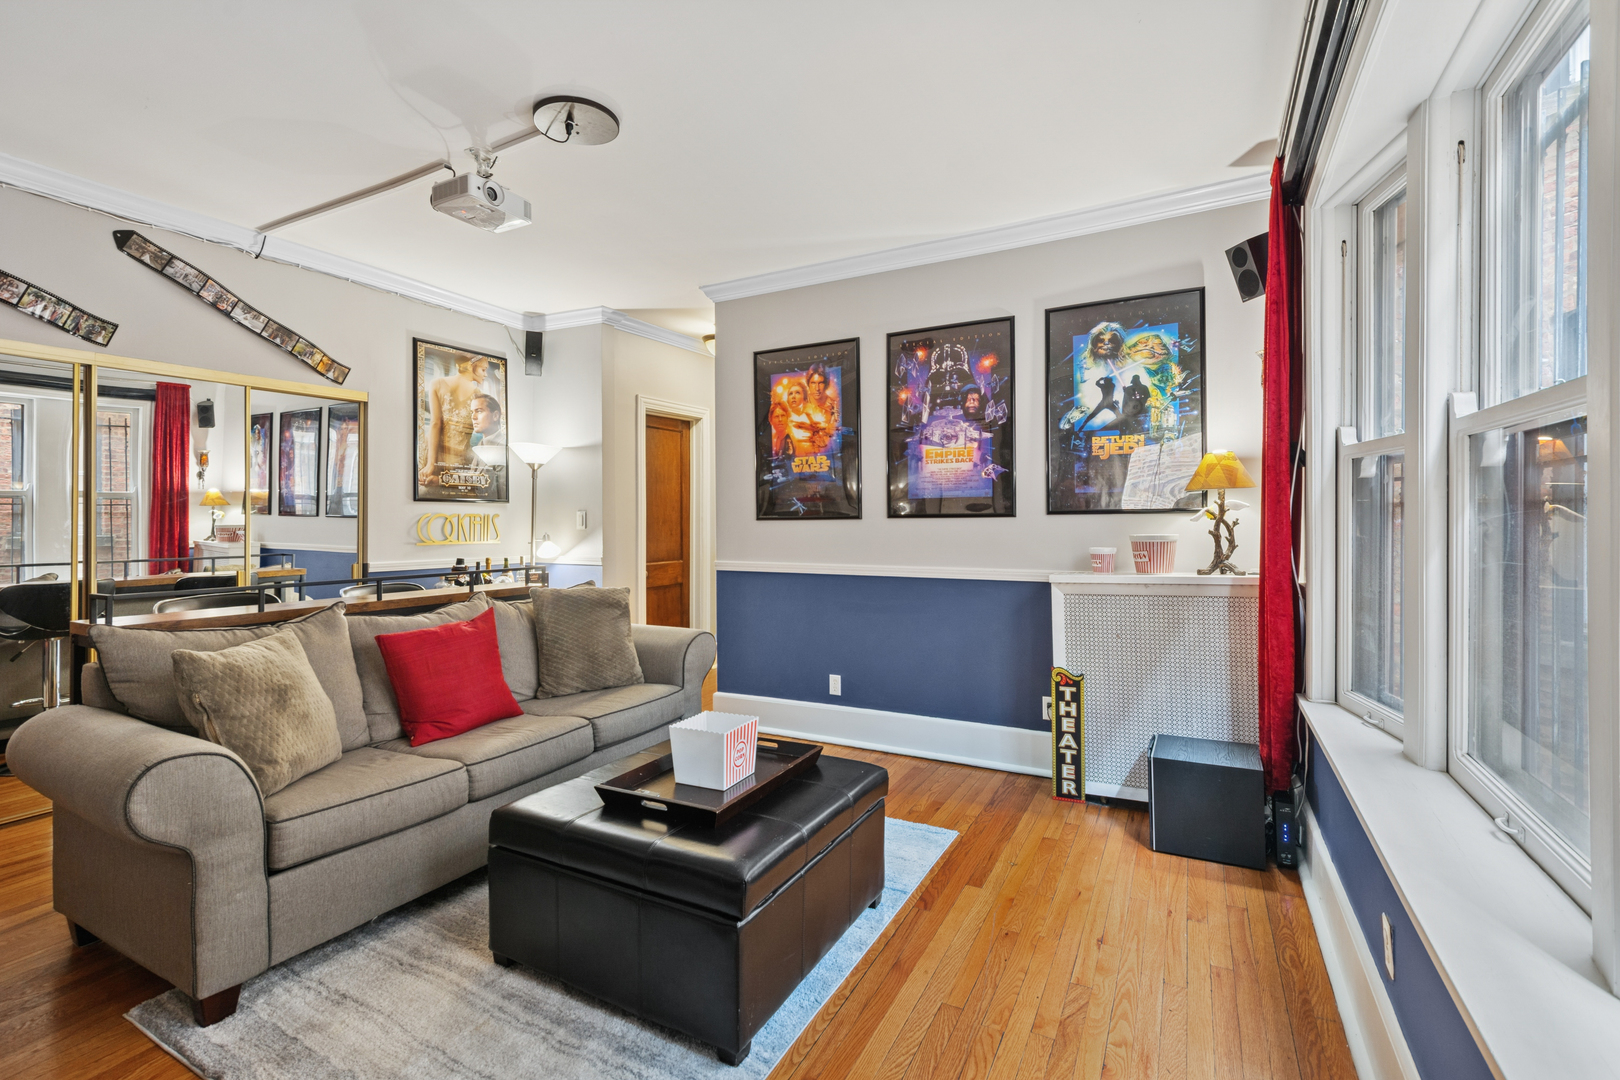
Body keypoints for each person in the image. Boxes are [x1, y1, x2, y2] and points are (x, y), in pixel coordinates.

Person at [419, 354, 492, 487]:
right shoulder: (480, 396)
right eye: (483, 369)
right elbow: (435, 423)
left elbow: (436, 423)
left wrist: (430, 463)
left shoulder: (437, 383)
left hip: (436, 455)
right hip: (458, 458)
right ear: (471, 366)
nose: (485, 374)